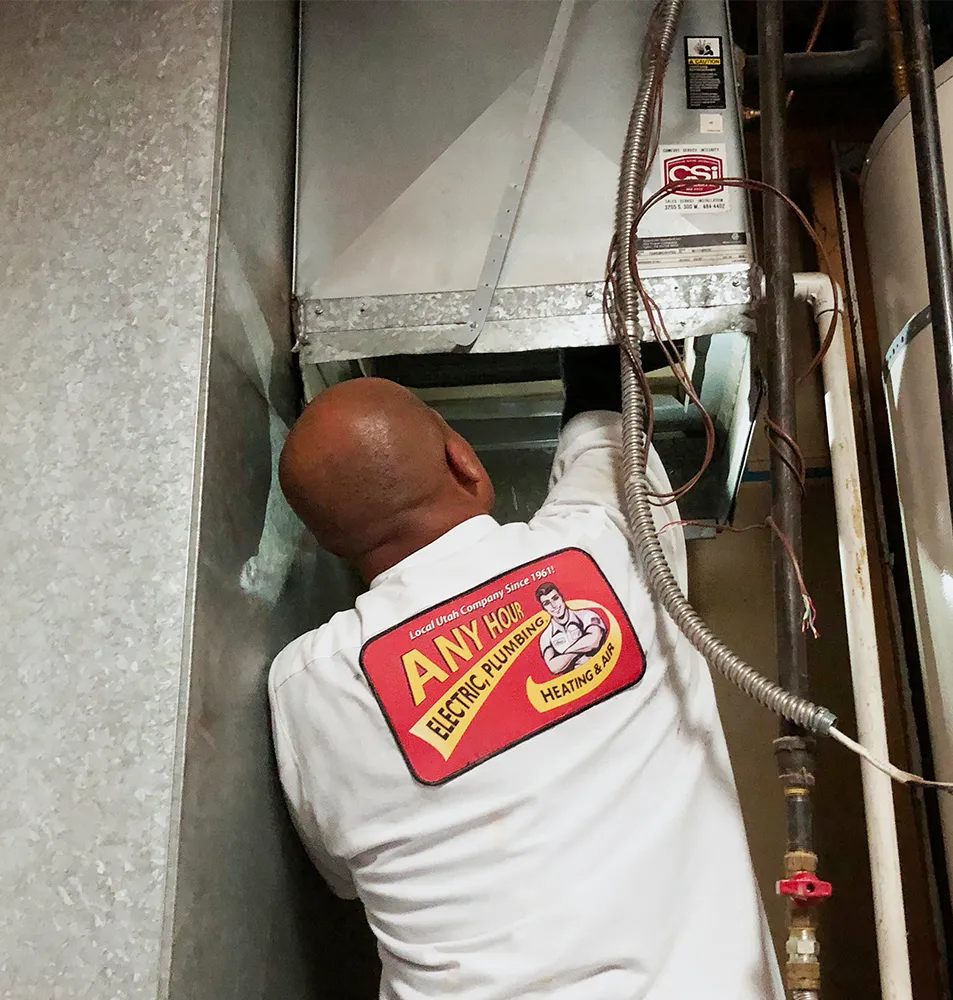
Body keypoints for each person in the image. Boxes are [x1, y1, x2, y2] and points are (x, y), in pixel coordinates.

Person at [269, 347, 782, 999]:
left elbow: (342, 876)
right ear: (463, 460)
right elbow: (604, 420)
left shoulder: (306, 686)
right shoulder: (602, 543)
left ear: (324, 541)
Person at [535, 581, 608, 674]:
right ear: (544, 608)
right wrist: (581, 649)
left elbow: (594, 640)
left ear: (562, 597)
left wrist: (566, 653)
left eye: (555, 598)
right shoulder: (545, 637)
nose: (554, 606)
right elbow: (553, 666)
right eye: (547, 603)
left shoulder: (587, 615)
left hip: (604, 670)